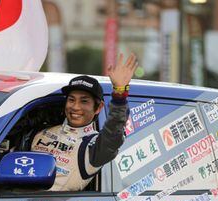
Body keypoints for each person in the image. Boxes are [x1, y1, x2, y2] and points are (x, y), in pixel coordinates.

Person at [31, 53, 138, 191]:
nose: (75, 107)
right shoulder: (41, 133)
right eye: (71, 99)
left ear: (98, 107)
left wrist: (119, 93)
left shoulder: (93, 147)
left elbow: (114, 130)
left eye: (84, 101)